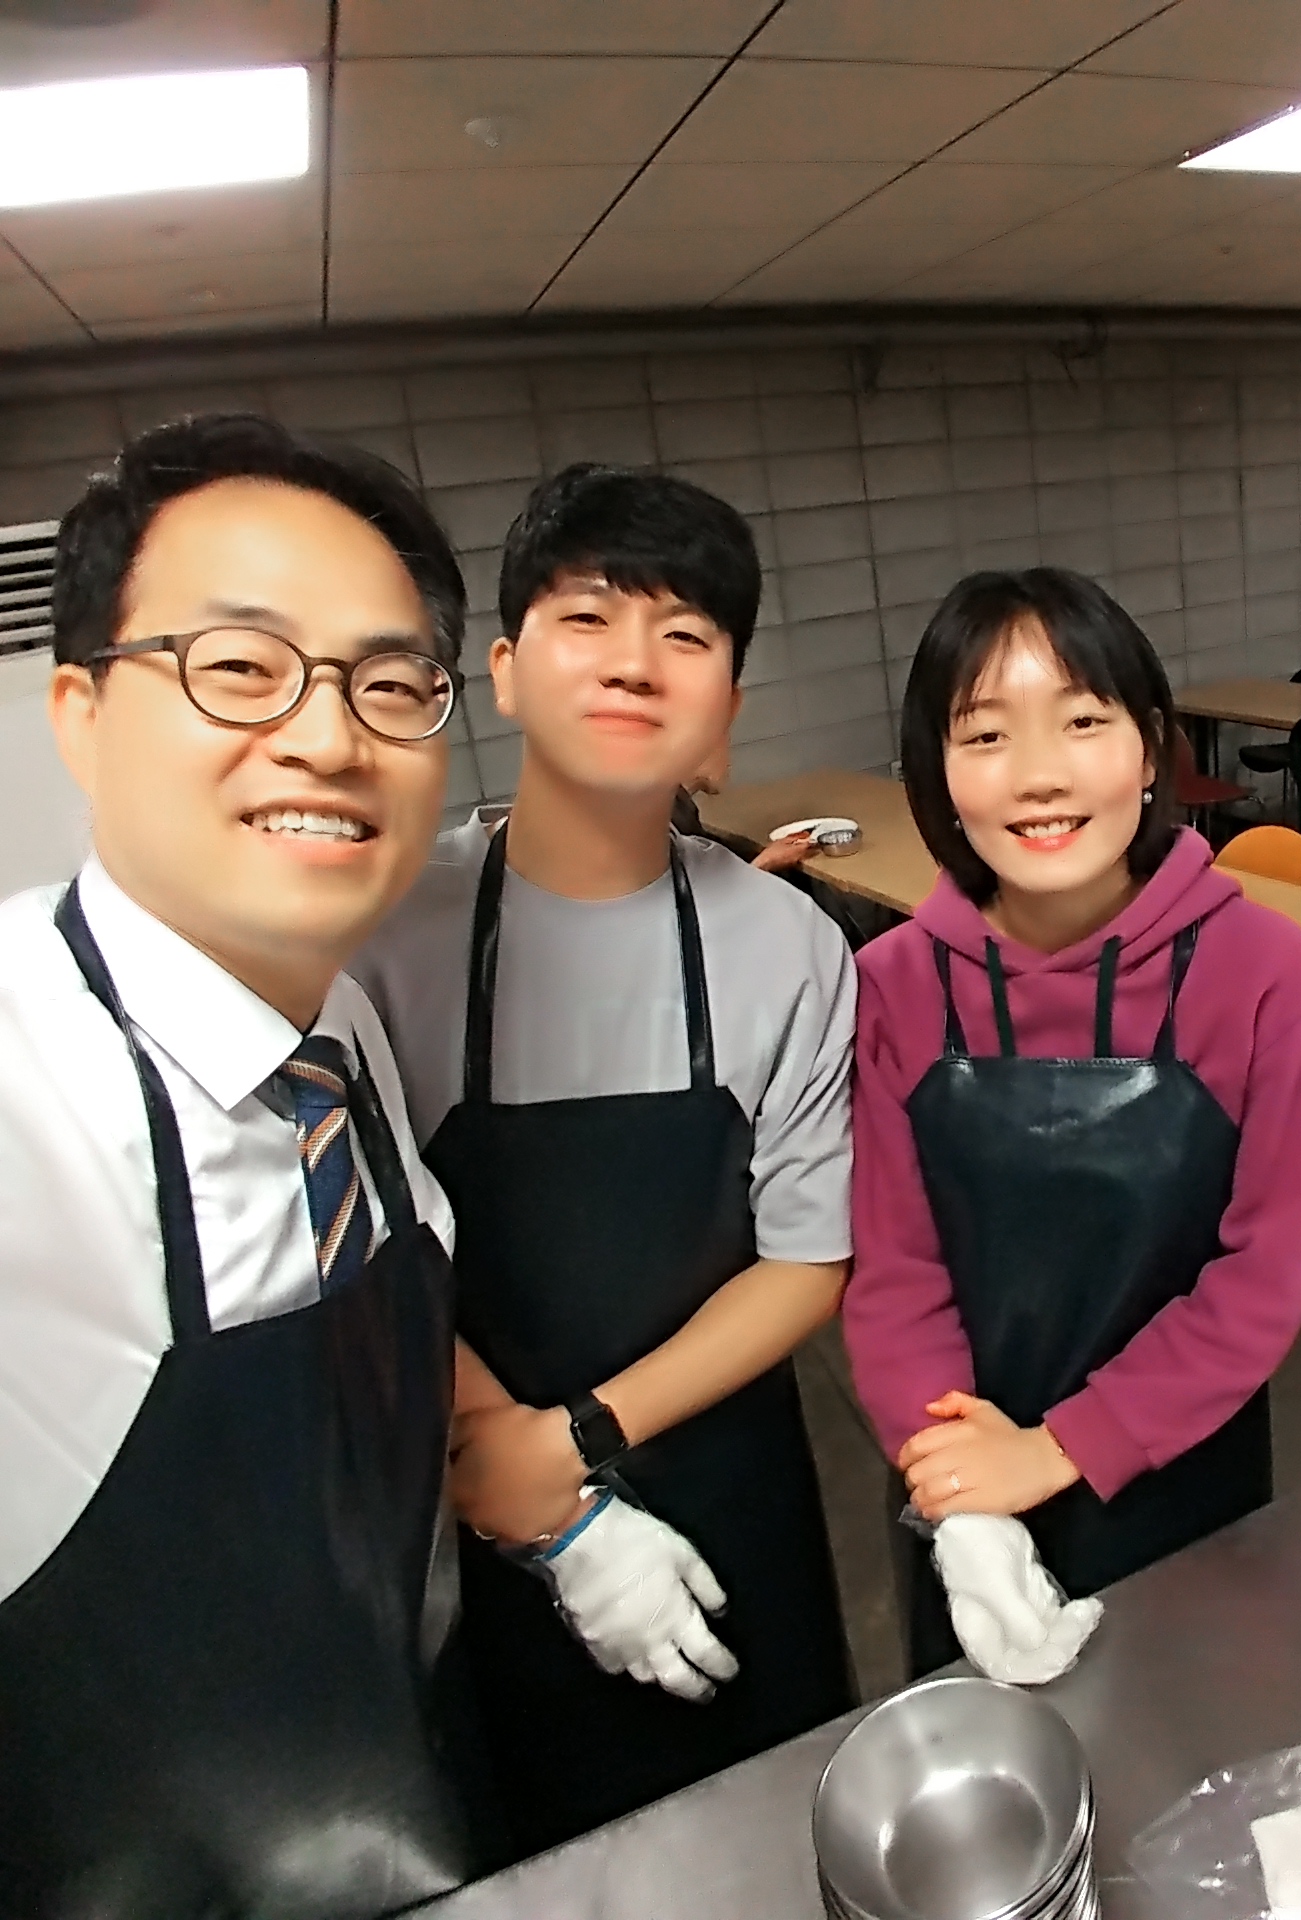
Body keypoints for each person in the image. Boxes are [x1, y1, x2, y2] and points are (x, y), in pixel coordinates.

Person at [0, 414, 483, 1916]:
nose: (329, 737)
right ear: (79, 712)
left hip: (390, 1794)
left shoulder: (332, 1025)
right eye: (239, 666)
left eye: (388, 683)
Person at [353, 463, 856, 1859]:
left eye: (686, 634)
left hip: (725, 1484)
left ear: (728, 706)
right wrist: (529, 1494)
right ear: (504, 671)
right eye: (587, 618)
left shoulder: (786, 944)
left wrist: (571, 1444)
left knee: (776, 1847)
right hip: (475, 1499)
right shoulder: (387, 939)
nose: (635, 661)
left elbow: (807, 1258)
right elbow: (363, 1245)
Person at [842, 568, 1301, 1680]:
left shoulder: (1265, 975)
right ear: (935, 771)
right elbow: (893, 1275)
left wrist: (1063, 1447)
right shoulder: (891, 989)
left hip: (1181, 1470)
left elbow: (1260, 1279)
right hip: (964, 1480)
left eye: (1082, 721)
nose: (1040, 775)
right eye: (986, 735)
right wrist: (966, 1497)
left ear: (1153, 746)